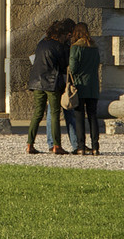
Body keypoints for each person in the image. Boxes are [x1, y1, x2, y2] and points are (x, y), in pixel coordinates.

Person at [26, 18, 74, 154]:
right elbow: (65, 65)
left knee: (37, 114)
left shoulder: (42, 43)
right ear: (64, 34)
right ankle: (56, 145)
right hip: (52, 83)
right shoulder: (60, 46)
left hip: (36, 82)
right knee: (54, 114)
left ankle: (30, 144)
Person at [63, 21, 103, 155]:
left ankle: (80, 146)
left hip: (80, 86)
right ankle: (95, 146)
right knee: (93, 116)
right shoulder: (94, 47)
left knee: (79, 116)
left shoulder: (76, 47)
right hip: (93, 86)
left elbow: (73, 68)